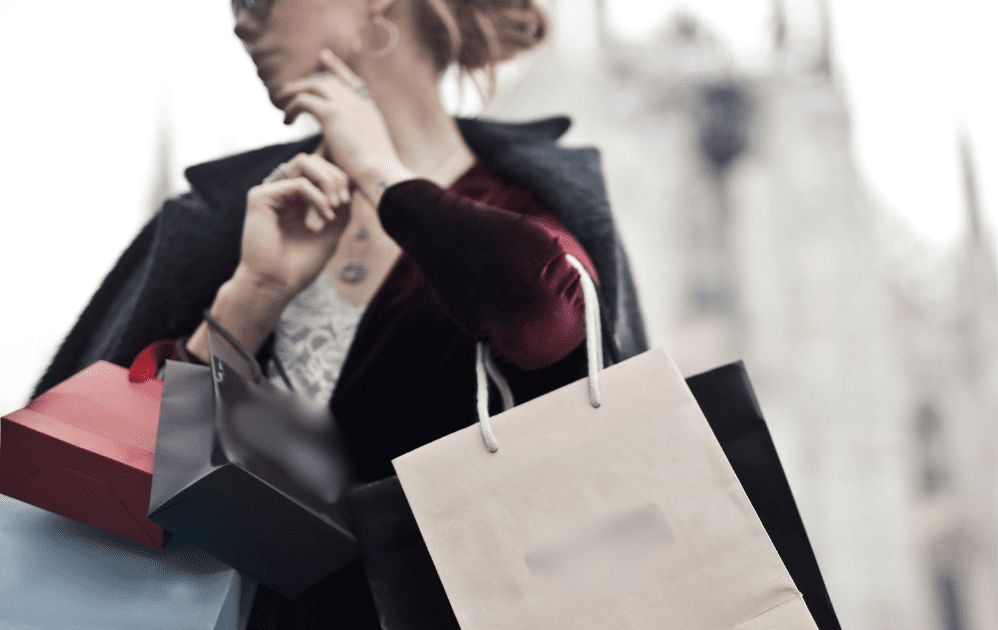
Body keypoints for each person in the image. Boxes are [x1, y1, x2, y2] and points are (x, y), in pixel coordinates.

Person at [31, 0, 647, 627]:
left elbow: (549, 315)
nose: (241, 21)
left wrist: (385, 179)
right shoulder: (226, 220)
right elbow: (94, 482)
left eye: (260, 2)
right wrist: (251, 298)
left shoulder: (522, 215)